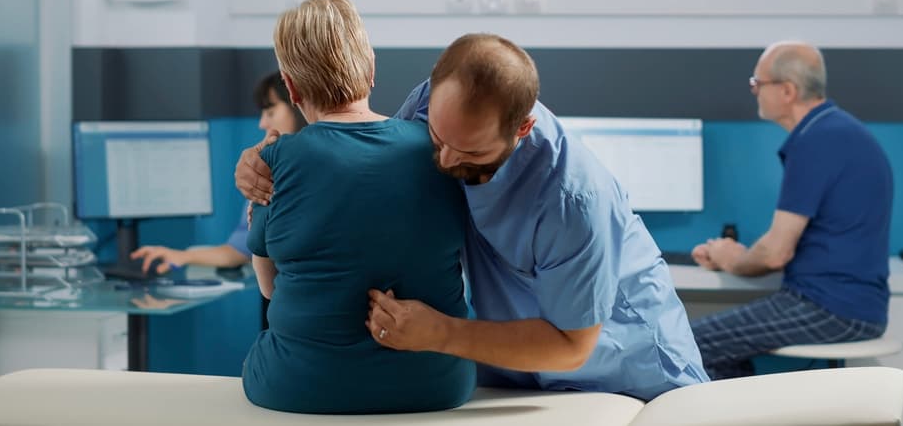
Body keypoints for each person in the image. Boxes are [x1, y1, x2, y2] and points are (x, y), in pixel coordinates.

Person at [237, 32, 708, 401]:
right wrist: (261, 168)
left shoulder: (572, 199)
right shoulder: (428, 106)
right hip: (505, 368)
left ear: (522, 129)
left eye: (472, 155)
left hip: (623, 372)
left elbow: (571, 346)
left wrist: (440, 332)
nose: (444, 162)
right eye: (438, 141)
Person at [241, 0, 475, 414]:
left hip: (296, 389)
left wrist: (257, 211)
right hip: (438, 386)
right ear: (370, 71)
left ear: (291, 88)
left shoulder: (278, 159)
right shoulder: (439, 150)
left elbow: (270, 288)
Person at [689, 41, 893, 380]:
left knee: (690, 343)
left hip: (829, 308)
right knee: (722, 350)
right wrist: (736, 254)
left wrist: (730, 258)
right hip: (851, 305)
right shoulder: (837, 130)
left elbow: (775, 253)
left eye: (758, 82)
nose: (754, 90)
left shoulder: (817, 140)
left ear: (787, 91)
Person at [129, 73, 303, 275]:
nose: (262, 123)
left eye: (270, 112)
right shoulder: (264, 174)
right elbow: (240, 250)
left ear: (297, 106)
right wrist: (182, 256)